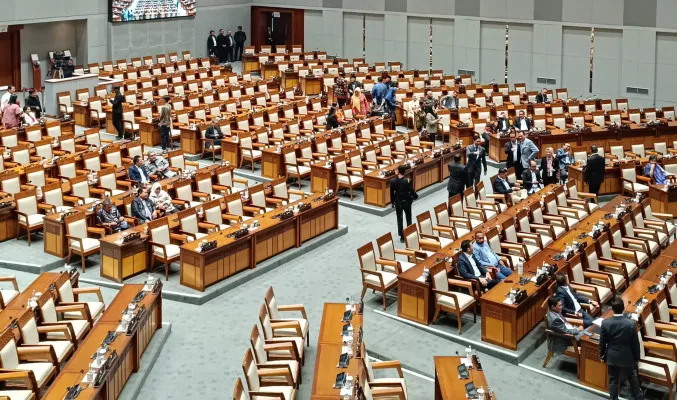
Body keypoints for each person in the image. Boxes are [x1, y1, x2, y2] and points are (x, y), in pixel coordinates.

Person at [600, 296, 643, 400]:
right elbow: (635, 343)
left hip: (612, 357)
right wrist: (637, 358)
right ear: (623, 308)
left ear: (612, 309)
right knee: (632, 379)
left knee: (613, 381)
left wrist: (602, 356)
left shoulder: (605, 323)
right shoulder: (631, 324)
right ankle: (637, 397)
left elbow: (602, 342)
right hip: (628, 357)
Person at [390, 165, 418, 242]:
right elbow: (411, 190)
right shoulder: (408, 180)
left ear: (398, 171)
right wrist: (415, 196)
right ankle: (409, 234)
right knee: (408, 217)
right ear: (405, 171)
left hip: (398, 202)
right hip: (407, 201)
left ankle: (402, 237)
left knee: (400, 219)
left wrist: (392, 203)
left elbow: (392, 194)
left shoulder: (393, 181)